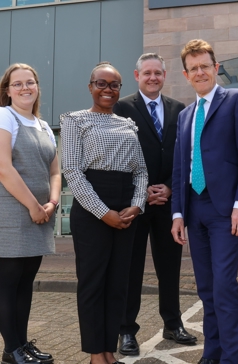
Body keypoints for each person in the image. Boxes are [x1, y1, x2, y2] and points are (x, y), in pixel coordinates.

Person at [171, 39, 238, 364]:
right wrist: (177, 212)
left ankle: (232, 358)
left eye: (205, 66)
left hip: (225, 210)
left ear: (215, 67)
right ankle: (213, 353)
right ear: (186, 74)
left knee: (223, 286)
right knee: (206, 288)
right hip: (194, 211)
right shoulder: (185, 115)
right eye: (193, 68)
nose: (200, 72)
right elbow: (180, 168)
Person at [60, 62, 148, 364]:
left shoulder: (128, 124)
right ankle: (96, 353)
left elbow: (141, 171)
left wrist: (137, 205)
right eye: (101, 83)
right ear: (90, 86)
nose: (107, 89)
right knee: (93, 283)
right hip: (92, 208)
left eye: (114, 84)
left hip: (127, 210)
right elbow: (72, 170)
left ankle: (109, 349)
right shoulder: (74, 120)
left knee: (118, 283)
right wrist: (103, 213)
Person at [113, 53, 196, 356]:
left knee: (170, 268)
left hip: (168, 203)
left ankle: (172, 324)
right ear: (136, 76)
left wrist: (172, 189)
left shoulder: (179, 110)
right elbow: (118, 156)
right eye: (146, 73)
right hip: (135, 204)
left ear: (165, 74)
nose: (152, 78)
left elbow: (185, 155)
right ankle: (126, 330)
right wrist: (142, 190)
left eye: (157, 73)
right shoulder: (122, 108)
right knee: (130, 269)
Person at [0, 63, 61, 364]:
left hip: (40, 215)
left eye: (30, 82)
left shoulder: (44, 126)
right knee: (8, 284)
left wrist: (51, 202)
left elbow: (55, 170)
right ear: (7, 90)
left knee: (25, 284)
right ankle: (12, 348)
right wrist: (33, 206)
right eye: (17, 84)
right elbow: (3, 168)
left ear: (37, 86)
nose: (25, 88)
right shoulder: (4, 117)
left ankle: (21, 345)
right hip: (11, 214)